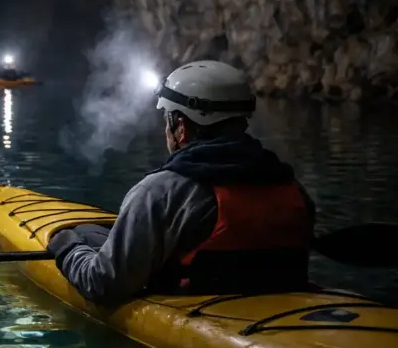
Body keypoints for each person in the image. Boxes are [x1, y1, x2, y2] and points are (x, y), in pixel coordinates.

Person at [46, 60, 315, 305]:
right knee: (93, 232)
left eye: (167, 120)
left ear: (181, 127)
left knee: (80, 236)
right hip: (281, 304)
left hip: (203, 312)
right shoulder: (293, 188)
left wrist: (67, 246)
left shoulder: (160, 192)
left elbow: (101, 284)